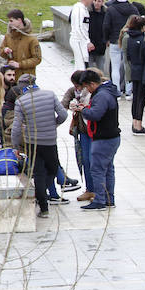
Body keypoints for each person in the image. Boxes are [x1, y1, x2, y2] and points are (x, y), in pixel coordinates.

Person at [10, 74, 68, 218]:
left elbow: (16, 127)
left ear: (21, 86)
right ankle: (42, 192)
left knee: (39, 174)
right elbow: (63, 114)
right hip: (50, 141)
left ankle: (43, 206)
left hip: (32, 143)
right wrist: (54, 124)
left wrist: (15, 146)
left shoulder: (20, 102)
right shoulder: (50, 95)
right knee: (53, 169)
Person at [79, 70, 121, 210]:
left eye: (87, 87)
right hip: (112, 137)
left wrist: (83, 110)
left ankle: (100, 201)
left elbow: (95, 115)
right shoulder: (107, 92)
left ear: (92, 84)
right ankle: (109, 199)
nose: (87, 90)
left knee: (97, 170)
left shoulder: (101, 96)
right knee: (108, 169)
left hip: (103, 139)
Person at [103, 0, 140, 96]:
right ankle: (129, 91)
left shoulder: (111, 9)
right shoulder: (133, 8)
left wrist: (106, 39)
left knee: (115, 67)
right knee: (127, 66)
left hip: (114, 40)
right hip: (129, 40)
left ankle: (116, 91)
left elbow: (106, 25)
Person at [63, 70, 94, 201]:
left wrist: (83, 107)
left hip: (94, 131)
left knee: (94, 162)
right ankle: (90, 189)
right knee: (85, 161)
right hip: (83, 131)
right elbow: (63, 104)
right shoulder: (73, 91)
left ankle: (98, 190)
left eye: (78, 85)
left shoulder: (93, 92)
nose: (76, 88)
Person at [121, 15, 145, 135]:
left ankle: (135, 123)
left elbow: (127, 56)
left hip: (134, 70)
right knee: (141, 98)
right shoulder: (143, 39)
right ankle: (138, 125)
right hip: (142, 71)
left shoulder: (128, 37)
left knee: (136, 97)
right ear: (143, 27)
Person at [0, 9, 41, 79]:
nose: (9, 23)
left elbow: (37, 59)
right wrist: (5, 50)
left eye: (11, 21)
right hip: (10, 77)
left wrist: (20, 64)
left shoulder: (32, 39)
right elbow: (1, 51)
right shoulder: (8, 36)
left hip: (26, 78)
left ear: (19, 20)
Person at [69, 0, 93, 72]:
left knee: (80, 63)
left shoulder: (84, 9)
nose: (92, 0)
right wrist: (87, 41)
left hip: (81, 40)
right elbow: (79, 27)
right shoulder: (79, 9)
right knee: (81, 65)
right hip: (78, 40)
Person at [87, 0, 108, 70]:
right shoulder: (88, 12)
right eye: (95, 1)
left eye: (99, 1)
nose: (96, 3)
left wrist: (105, 41)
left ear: (102, 2)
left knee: (100, 68)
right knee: (89, 69)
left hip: (101, 46)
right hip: (90, 45)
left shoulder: (106, 14)